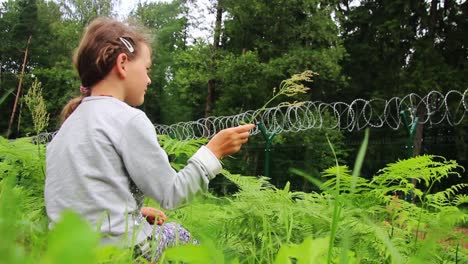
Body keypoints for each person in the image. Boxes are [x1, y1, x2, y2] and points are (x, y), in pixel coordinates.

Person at [44, 17, 255, 261]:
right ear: (123, 64)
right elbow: (173, 194)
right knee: (181, 236)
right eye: (147, 69)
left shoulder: (66, 130)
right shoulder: (128, 119)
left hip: (70, 254)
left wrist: (134, 211)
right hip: (122, 252)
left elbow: (81, 198)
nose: (149, 80)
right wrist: (213, 152)